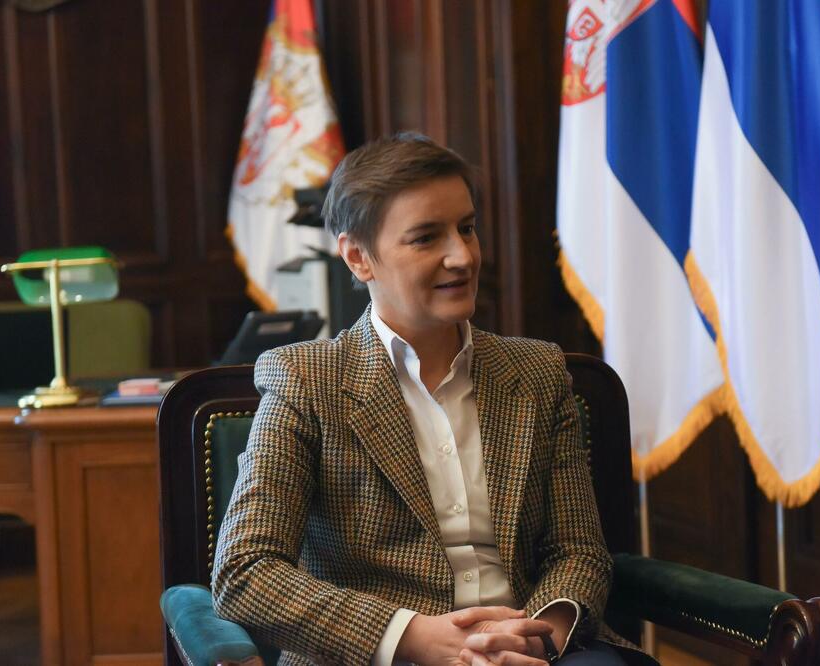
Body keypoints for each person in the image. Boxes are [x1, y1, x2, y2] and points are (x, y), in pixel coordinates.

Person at [212, 133, 654, 666]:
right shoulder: (307, 380)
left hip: (536, 648)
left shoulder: (536, 372)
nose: (462, 256)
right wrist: (414, 637)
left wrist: (537, 637)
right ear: (358, 257)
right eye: (426, 238)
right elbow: (245, 571)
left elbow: (578, 551)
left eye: (466, 228)